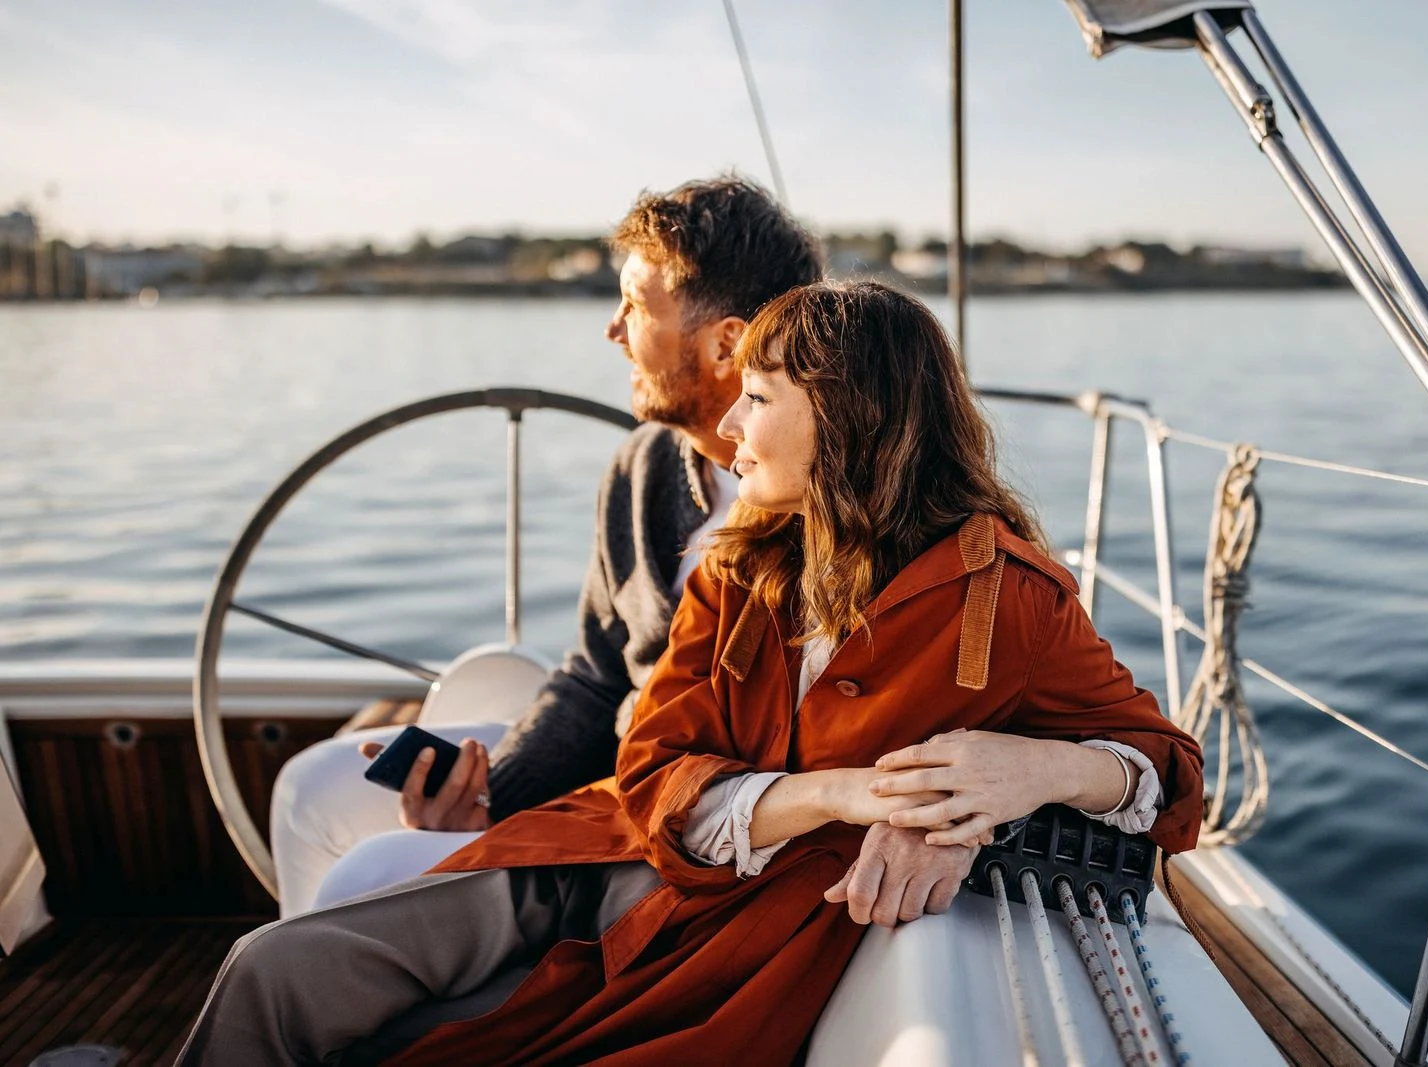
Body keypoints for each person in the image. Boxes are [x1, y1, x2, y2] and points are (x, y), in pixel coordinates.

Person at [178, 280, 1203, 1066]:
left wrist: (1033, 773)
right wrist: (841, 793)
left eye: (755, 397)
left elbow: (1165, 771)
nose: (727, 427)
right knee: (270, 966)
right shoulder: (739, 564)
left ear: (843, 418)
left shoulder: (1008, 595)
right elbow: (652, 765)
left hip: (711, 954)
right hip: (590, 863)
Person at [268, 175, 826, 917]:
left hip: (686, 820)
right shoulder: (644, 468)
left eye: (635, 305)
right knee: (306, 792)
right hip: (613, 765)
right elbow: (598, 675)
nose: (613, 329)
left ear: (727, 342)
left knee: (365, 881)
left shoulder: (837, 500)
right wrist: (493, 793)